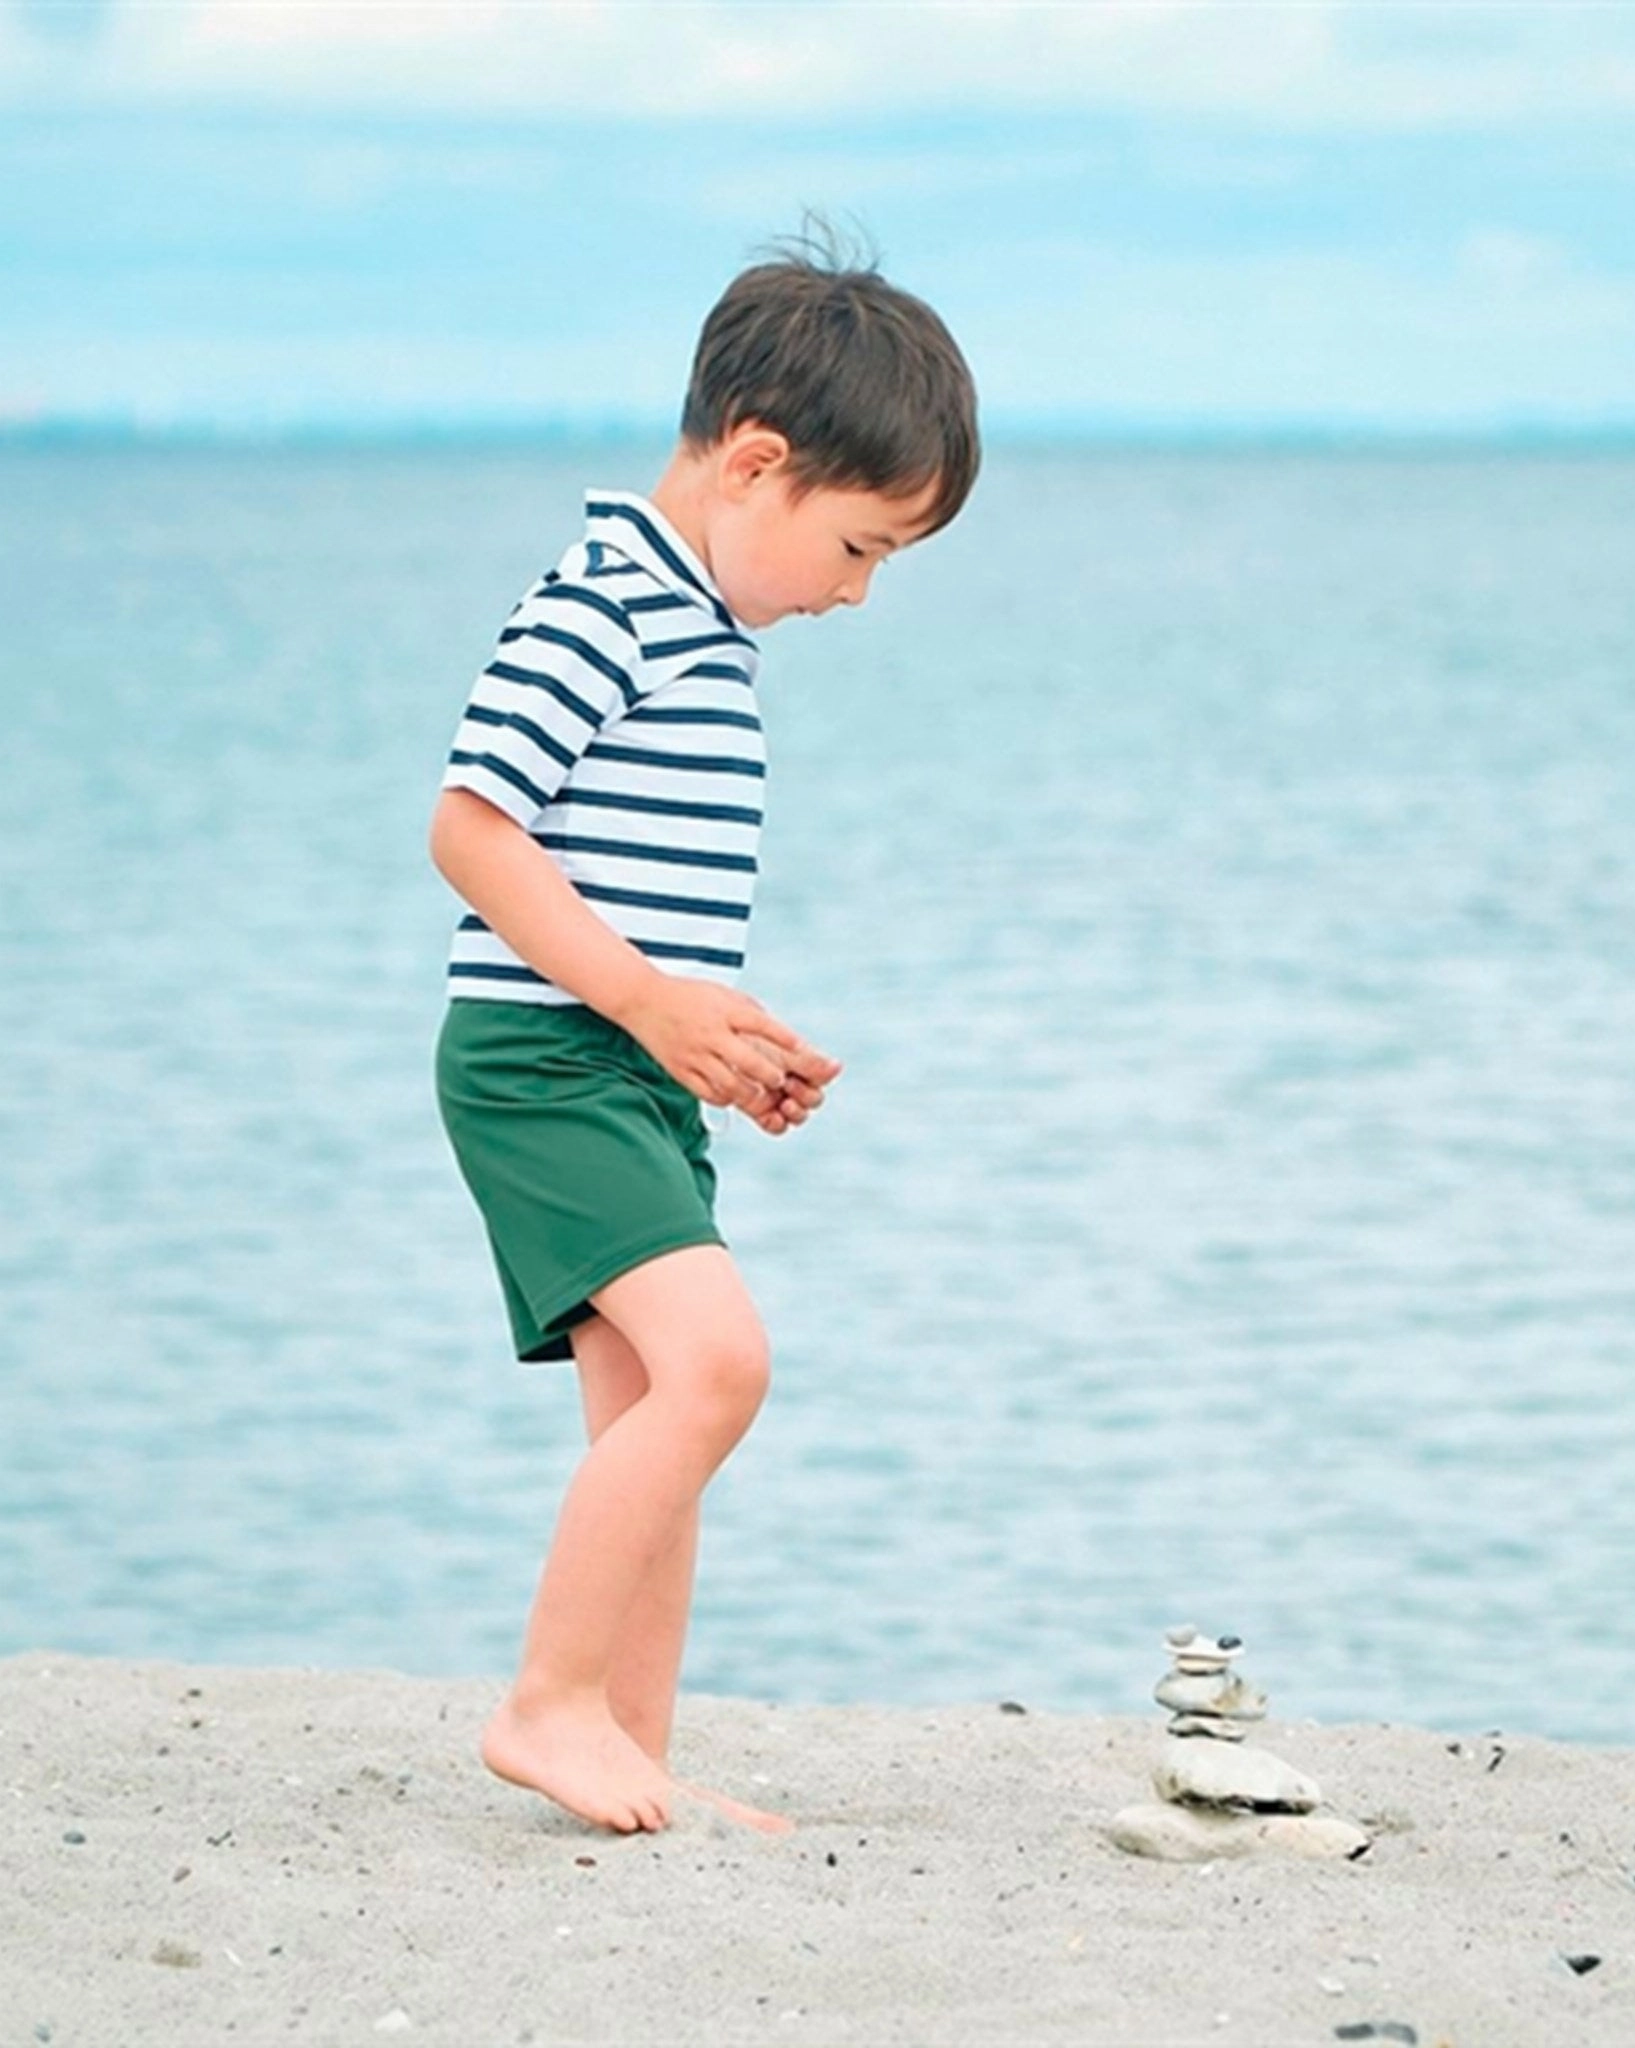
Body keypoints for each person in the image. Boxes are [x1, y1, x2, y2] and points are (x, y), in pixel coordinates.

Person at [430, 237, 979, 1834]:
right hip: (545, 1065)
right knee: (722, 1369)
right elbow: (470, 828)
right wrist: (643, 1006)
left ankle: (625, 1750)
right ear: (754, 463)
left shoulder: (701, 623)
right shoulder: (605, 603)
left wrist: (714, 1041)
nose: (858, 594)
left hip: (624, 1067)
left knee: (653, 1418)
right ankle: (545, 1704)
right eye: (859, 547)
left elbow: (644, 902)